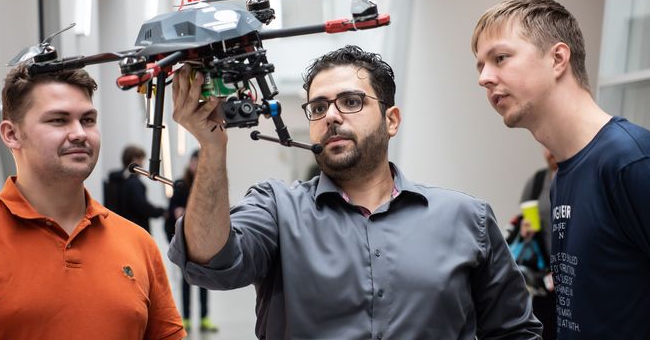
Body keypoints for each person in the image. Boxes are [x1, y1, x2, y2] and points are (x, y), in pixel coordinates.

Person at [168, 45, 542, 339]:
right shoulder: (276, 208)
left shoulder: (466, 217)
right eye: (318, 107)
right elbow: (210, 263)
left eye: (351, 102)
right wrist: (211, 148)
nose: (331, 116)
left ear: (391, 120)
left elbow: (513, 331)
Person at [472, 0, 650, 338]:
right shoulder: (565, 173)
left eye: (500, 58)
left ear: (558, 59)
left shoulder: (631, 161)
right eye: (480, 66)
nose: (485, 78)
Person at [0, 65, 184, 339]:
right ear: (12, 135)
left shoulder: (138, 242)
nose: (79, 133)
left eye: (87, 120)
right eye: (58, 120)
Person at [506, 148, 558, 339]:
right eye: (546, 148)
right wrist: (525, 230)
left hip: (575, 276)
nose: (549, 152)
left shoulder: (579, 179)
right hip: (544, 277)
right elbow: (525, 220)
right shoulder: (537, 182)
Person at [166, 149, 218, 333]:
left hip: (204, 241)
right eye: (195, 161)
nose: (197, 165)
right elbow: (174, 212)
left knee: (204, 280)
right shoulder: (181, 185)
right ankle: (186, 319)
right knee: (186, 280)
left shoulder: (208, 185)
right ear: (191, 163)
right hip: (185, 240)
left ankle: (204, 318)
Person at [111, 145, 166, 234]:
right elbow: (142, 207)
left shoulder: (117, 180)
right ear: (135, 160)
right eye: (141, 160)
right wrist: (161, 212)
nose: (143, 164)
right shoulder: (133, 183)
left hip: (120, 228)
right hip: (136, 229)